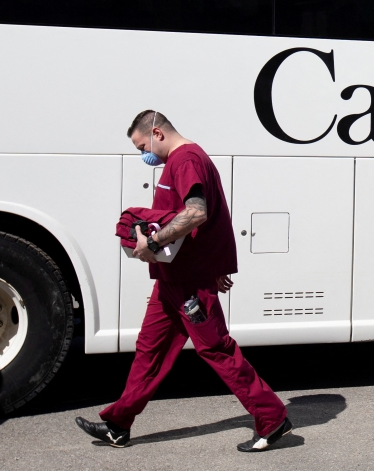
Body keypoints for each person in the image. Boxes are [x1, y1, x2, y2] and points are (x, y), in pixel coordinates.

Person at [75, 111, 292, 452]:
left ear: (157, 133)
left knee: (216, 349)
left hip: (189, 283)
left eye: (142, 146)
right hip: (172, 281)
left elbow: (198, 213)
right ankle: (118, 424)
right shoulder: (183, 160)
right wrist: (216, 262)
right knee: (150, 351)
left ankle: (272, 417)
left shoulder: (186, 159)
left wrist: (154, 243)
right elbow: (213, 217)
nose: (143, 154)